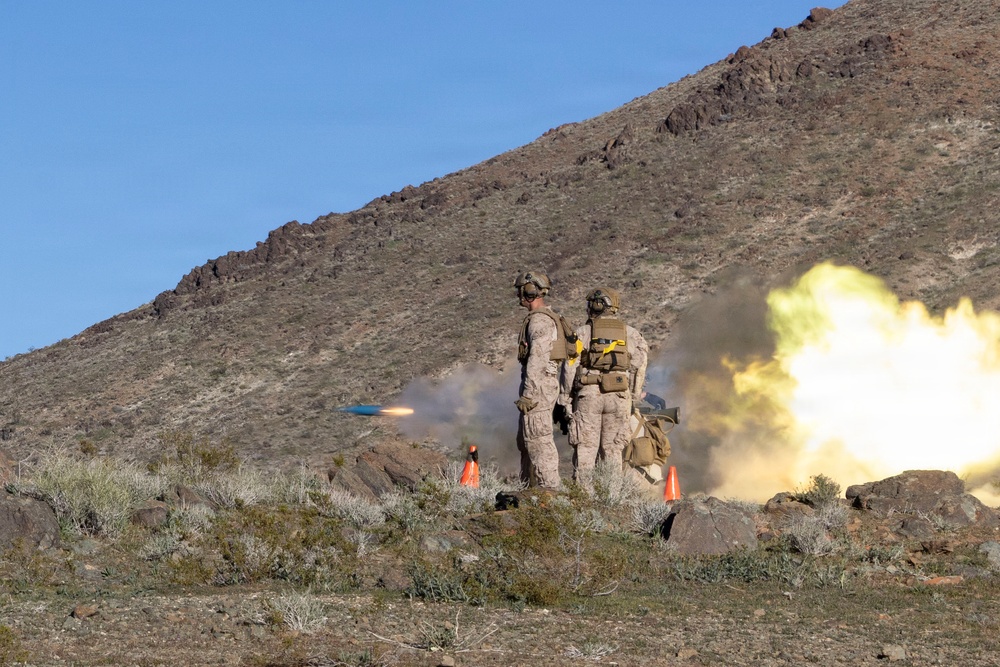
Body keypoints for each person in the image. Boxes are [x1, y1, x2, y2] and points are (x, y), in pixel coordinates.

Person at [565, 287, 649, 491]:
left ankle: (584, 497)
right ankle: (611, 496)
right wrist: (634, 396)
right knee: (613, 449)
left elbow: (570, 366)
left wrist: (565, 396)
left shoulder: (584, 332)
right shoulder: (631, 333)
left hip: (589, 394)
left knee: (586, 447)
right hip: (619, 396)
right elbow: (640, 364)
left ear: (597, 304)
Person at [513, 271, 572, 489]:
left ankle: (550, 490)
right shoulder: (542, 318)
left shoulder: (539, 321)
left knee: (538, 438)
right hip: (542, 384)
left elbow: (537, 357)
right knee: (527, 441)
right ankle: (529, 489)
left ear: (529, 291)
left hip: (538, 386)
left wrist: (528, 393)